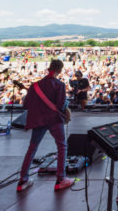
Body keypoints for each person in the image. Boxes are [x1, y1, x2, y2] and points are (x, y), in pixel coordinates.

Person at [17, 59, 75, 192]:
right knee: (61, 146)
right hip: (53, 120)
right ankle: (61, 179)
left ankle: (23, 180)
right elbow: (60, 106)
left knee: (32, 148)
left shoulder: (35, 85)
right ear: (59, 70)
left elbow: (26, 105)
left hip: (38, 120)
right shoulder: (59, 85)